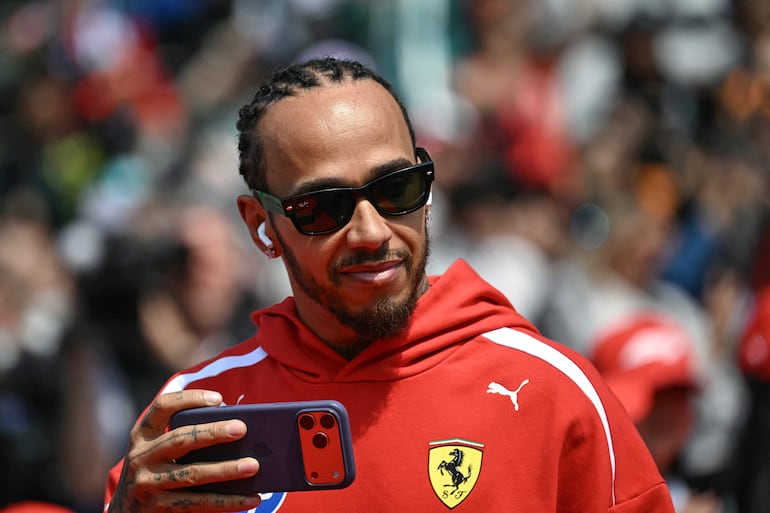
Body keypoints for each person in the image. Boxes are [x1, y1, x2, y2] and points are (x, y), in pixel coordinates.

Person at [103, 57, 673, 512]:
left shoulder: (553, 391)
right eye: (322, 207)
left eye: (397, 188)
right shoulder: (199, 416)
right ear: (261, 225)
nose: (372, 231)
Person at [590, 313, 723, 512]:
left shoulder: (702, 497)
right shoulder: (578, 492)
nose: (667, 412)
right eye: (656, 399)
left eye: (678, 395)